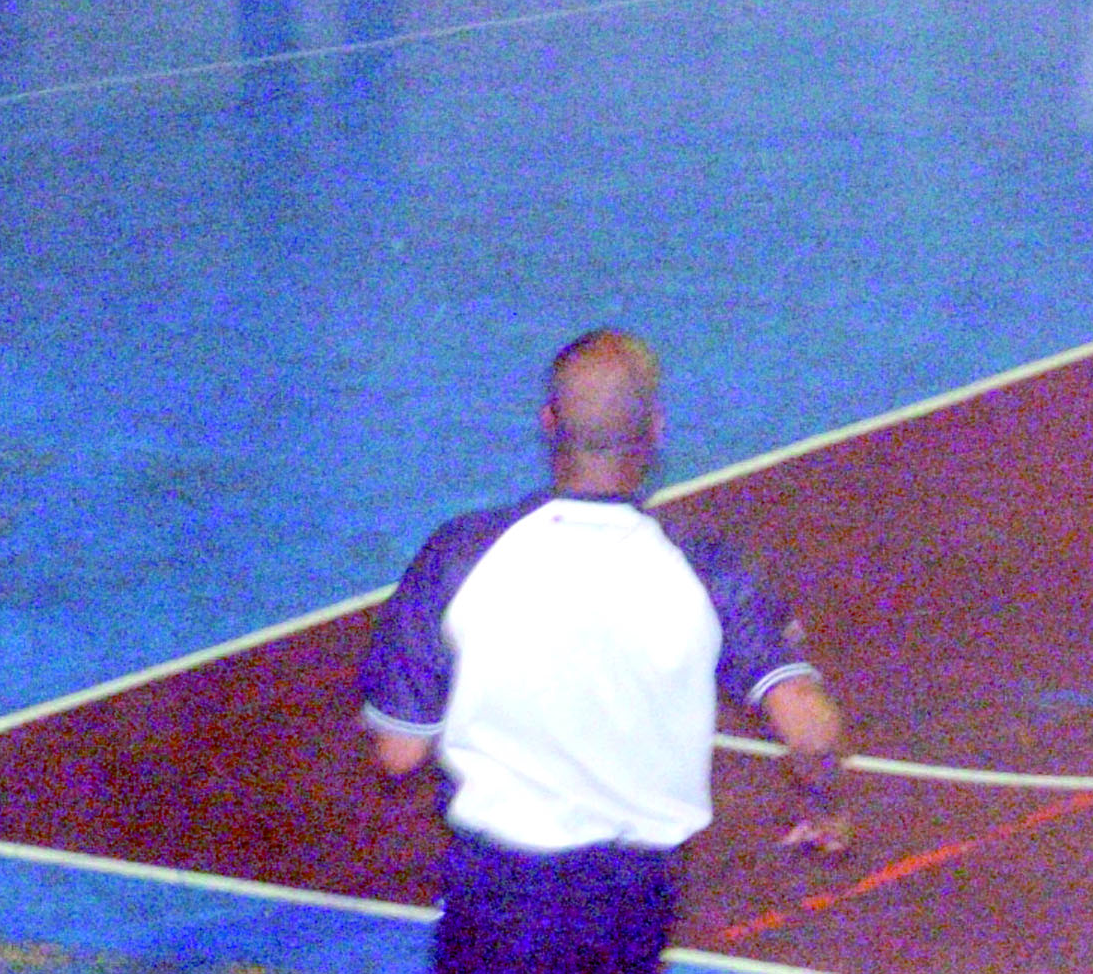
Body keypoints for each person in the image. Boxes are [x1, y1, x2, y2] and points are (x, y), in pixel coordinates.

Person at [361, 329, 852, 974]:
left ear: (548, 422)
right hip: (632, 902)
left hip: (494, 893)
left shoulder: (458, 555)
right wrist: (822, 803)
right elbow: (810, 727)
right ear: (655, 430)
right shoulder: (706, 569)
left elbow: (399, 753)